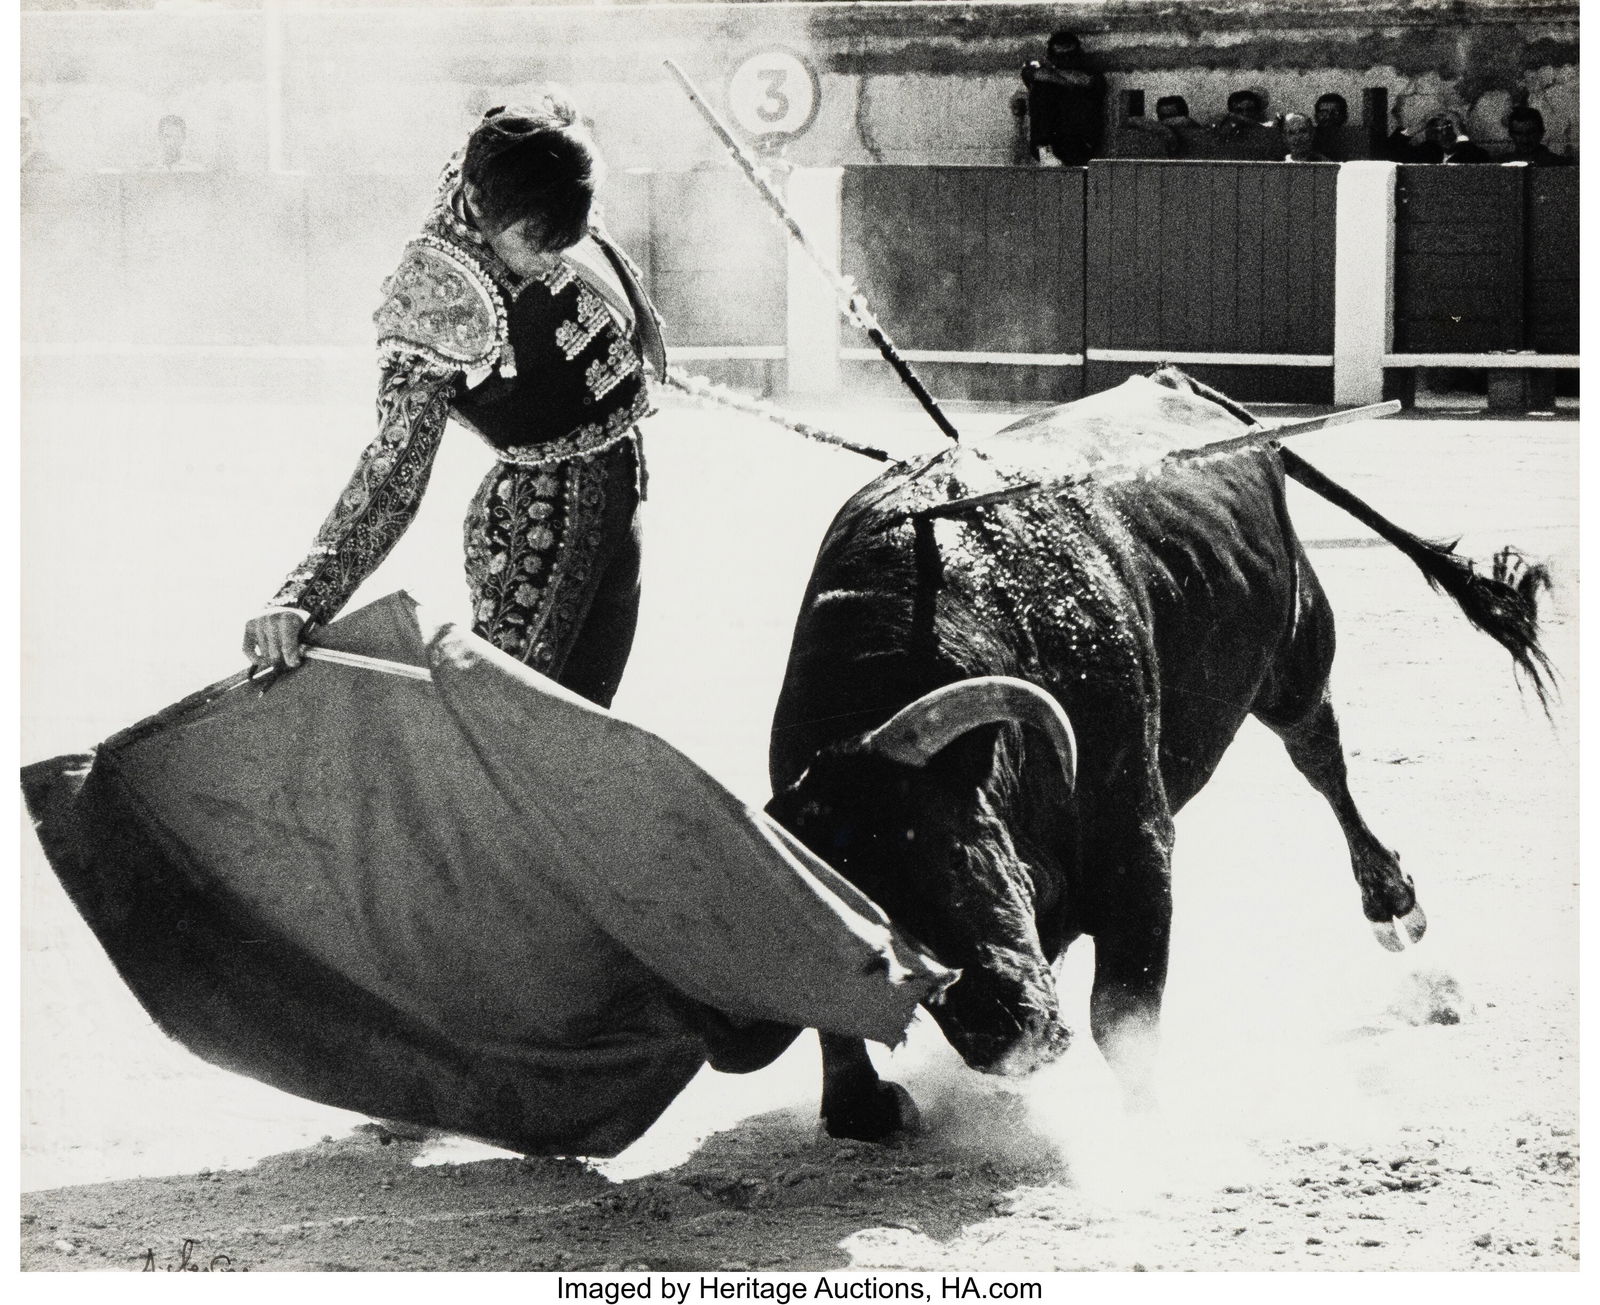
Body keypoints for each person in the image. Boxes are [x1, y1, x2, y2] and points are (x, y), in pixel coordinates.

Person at [243, 98, 668, 709]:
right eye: (532, 239)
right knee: (516, 730)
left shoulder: (511, 168)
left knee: (586, 721)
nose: (553, 259)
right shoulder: (434, 297)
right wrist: (304, 595)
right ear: (481, 201)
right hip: (542, 519)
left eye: (565, 238)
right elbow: (392, 473)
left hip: (619, 485)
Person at [1011, 29, 1106, 166]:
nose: (1066, 61)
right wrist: (1065, 82)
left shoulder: (1093, 74)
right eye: (1061, 57)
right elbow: (1030, 73)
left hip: (1080, 143)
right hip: (1051, 142)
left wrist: (1055, 75)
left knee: (1074, 94)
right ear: (1052, 57)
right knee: (1042, 89)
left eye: (1070, 56)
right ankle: (1044, 149)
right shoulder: (1049, 78)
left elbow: (1086, 81)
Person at [1209, 88, 1284, 160]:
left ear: (1257, 112)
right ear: (1231, 113)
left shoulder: (1268, 133)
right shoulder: (1223, 132)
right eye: (1239, 111)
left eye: (1250, 110)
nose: (1244, 114)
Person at [1504, 106, 1571, 166]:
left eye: (1530, 133)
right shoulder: (1502, 163)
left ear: (1541, 133)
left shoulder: (1561, 164)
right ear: (1511, 134)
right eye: (1519, 134)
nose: (1525, 140)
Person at [1312, 92, 1354, 160]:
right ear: (1316, 117)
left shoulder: (1352, 141)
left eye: (1335, 112)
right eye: (1323, 113)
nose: (1328, 117)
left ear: (1345, 117)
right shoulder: (1306, 139)